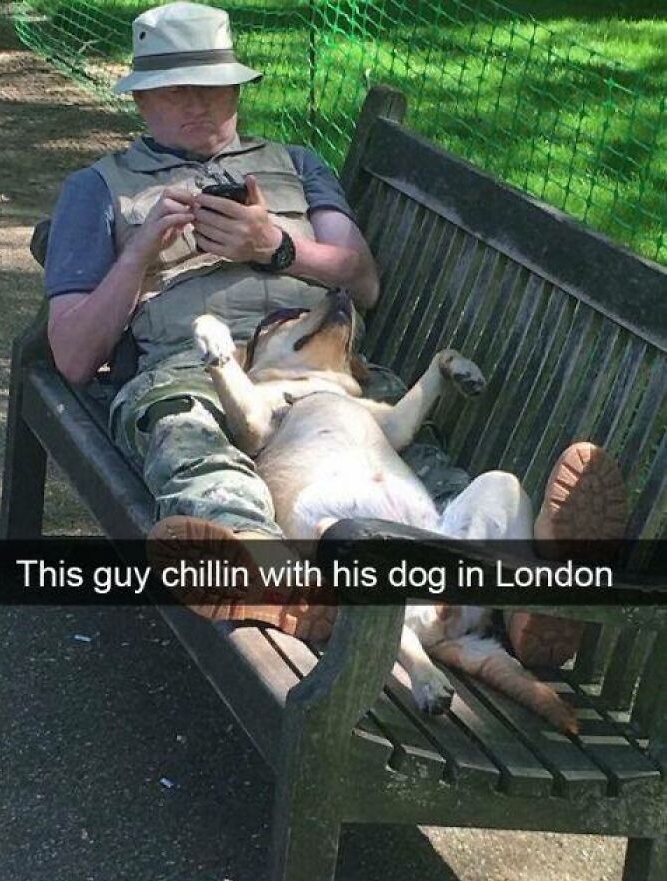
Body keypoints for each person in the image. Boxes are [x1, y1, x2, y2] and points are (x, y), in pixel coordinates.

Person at [44, 3, 626, 663]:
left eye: (213, 86)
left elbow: (363, 279)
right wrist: (139, 253)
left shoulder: (296, 164)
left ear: (238, 88)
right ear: (142, 98)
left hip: (330, 372)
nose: (198, 104)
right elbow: (71, 353)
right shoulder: (97, 190)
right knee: (196, 451)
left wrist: (277, 245)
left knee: (423, 472)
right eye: (177, 89)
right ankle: (274, 581)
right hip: (188, 371)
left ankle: (529, 594)